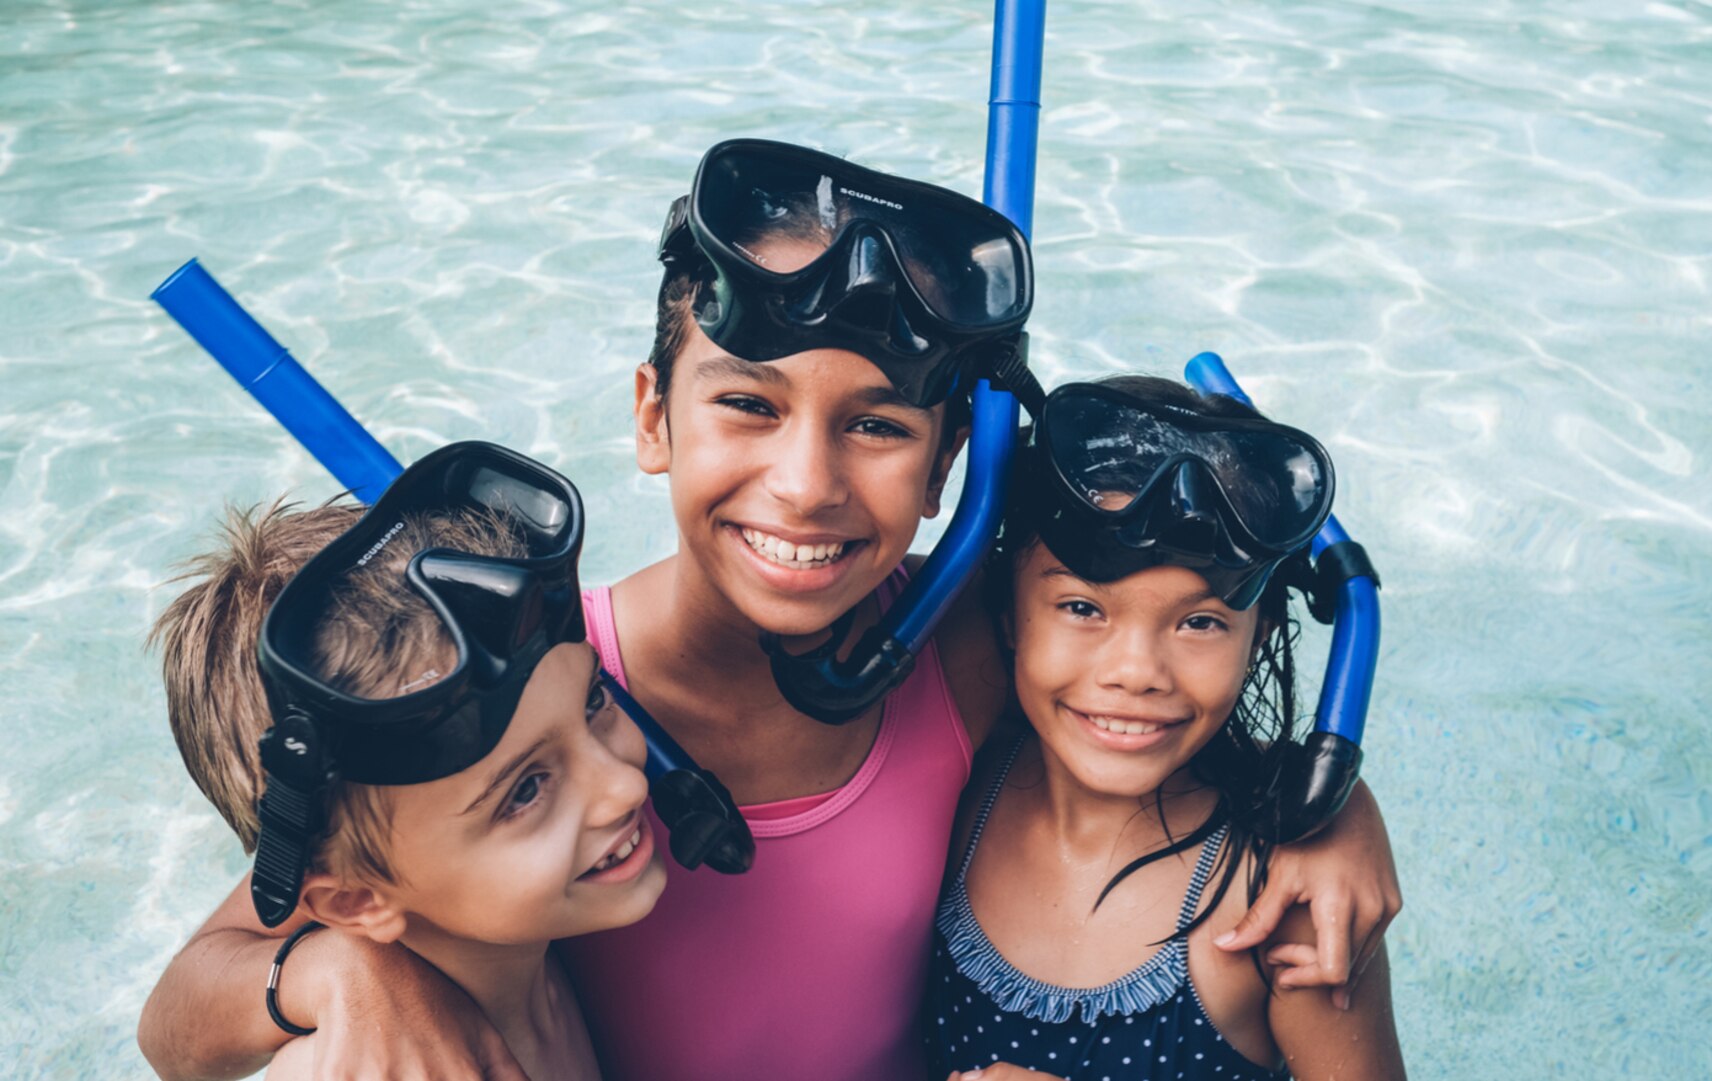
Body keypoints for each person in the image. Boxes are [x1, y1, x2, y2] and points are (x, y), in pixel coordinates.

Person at [140, 141, 1400, 1081]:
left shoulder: (953, 648)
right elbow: (189, 1003)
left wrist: (1325, 805)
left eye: (877, 424)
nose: (806, 485)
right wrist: (335, 972)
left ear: (950, 460)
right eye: (748, 404)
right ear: (652, 416)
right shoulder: (529, 675)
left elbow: (1144, 644)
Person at [924, 377, 1405, 1081]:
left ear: (1259, 634)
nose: (1137, 671)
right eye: (1083, 607)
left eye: (1200, 621)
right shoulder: (954, 776)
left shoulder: (1278, 905)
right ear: (1007, 614)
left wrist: (1343, 812)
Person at [144, 445, 668, 1080]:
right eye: (526, 791)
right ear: (357, 900)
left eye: (591, 702)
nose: (622, 783)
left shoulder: (519, 953)